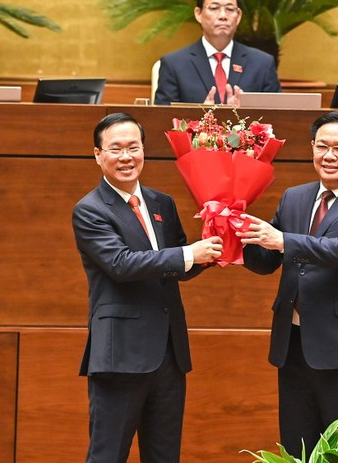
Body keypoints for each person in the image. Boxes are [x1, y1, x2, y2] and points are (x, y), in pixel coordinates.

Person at [239, 111, 338, 455]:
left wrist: (282, 240)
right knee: (298, 450)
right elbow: (268, 262)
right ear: (311, 147)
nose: (329, 156)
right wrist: (236, 237)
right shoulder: (295, 197)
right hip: (292, 345)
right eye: (321, 146)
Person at [73, 112, 223, 463]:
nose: (126, 157)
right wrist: (189, 254)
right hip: (120, 355)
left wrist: (216, 248)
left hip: (170, 355)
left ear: (144, 150)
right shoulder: (90, 210)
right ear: (98, 155)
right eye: (115, 149)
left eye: (133, 148)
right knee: (108, 454)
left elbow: (177, 267)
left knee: (164, 455)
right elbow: (121, 264)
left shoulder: (161, 203)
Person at [154, 0, 281, 106]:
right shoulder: (174, 64)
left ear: (238, 16)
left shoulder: (262, 64)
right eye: (214, 8)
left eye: (230, 9)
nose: (223, 16)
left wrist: (244, 114)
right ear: (198, 14)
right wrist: (200, 117)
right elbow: (162, 121)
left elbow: (278, 117)